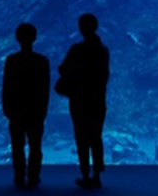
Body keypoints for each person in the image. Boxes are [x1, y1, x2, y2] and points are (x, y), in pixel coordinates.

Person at [57, 13, 110, 189]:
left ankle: (85, 173)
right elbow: (104, 77)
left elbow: (62, 69)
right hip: (97, 100)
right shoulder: (103, 50)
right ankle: (97, 175)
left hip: (79, 99)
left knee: (81, 136)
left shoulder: (76, 49)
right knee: (96, 136)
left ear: (81, 28)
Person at [3, 22, 50, 189]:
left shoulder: (11, 60)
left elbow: (6, 86)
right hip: (36, 109)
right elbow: (45, 88)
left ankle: (19, 176)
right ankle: (33, 176)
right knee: (35, 145)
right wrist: (44, 109)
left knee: (17, 145)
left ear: (17, 38)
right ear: (35, 38)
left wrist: (6, 108)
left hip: (16, 109)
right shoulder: (42, 61)